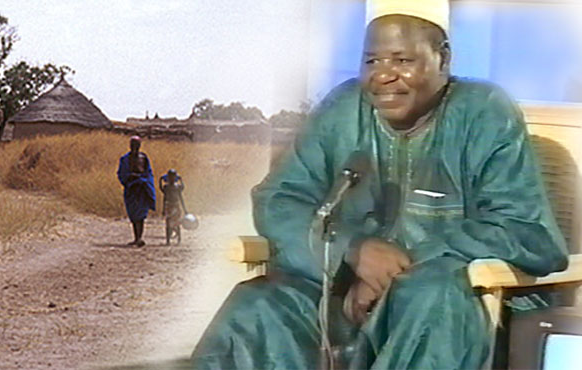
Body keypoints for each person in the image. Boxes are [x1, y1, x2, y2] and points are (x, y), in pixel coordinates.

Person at [191, 0, 568, 368]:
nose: (383, 75)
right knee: (260, 304)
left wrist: (399, 269)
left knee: (433, 295)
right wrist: (352, 251)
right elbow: (279, 200)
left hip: (457, 316)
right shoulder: (344, 108)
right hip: (348, 301)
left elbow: (527, 232)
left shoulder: (485, 113)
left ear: (444, 59)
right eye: (372, 61)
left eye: (403, 61)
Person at [118, 136, 156, 247]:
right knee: (133, 215)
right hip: (131, 188)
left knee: (141, 215)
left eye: (137, 144)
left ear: (140, 145)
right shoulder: (125, 159)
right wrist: (130, 178)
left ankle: (139, 238)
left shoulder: (143, 158)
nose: (134, 147)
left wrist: (144, 181)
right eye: (132, 144)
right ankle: (136, 238)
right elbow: (121, 173)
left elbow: (148, 173)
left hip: (142, 188)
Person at [159, 169, 185, 245]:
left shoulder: (178, 187)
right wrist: (163, 209)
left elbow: (181, 197)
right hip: (169, 205)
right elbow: (164, 197)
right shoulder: (166, 187)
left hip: (176, 205)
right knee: (168, 224)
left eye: (173, 177)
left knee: (177, 223)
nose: (171, 178)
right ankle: (168, 241)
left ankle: (179, 239)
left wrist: (184, 209)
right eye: (170, 177)